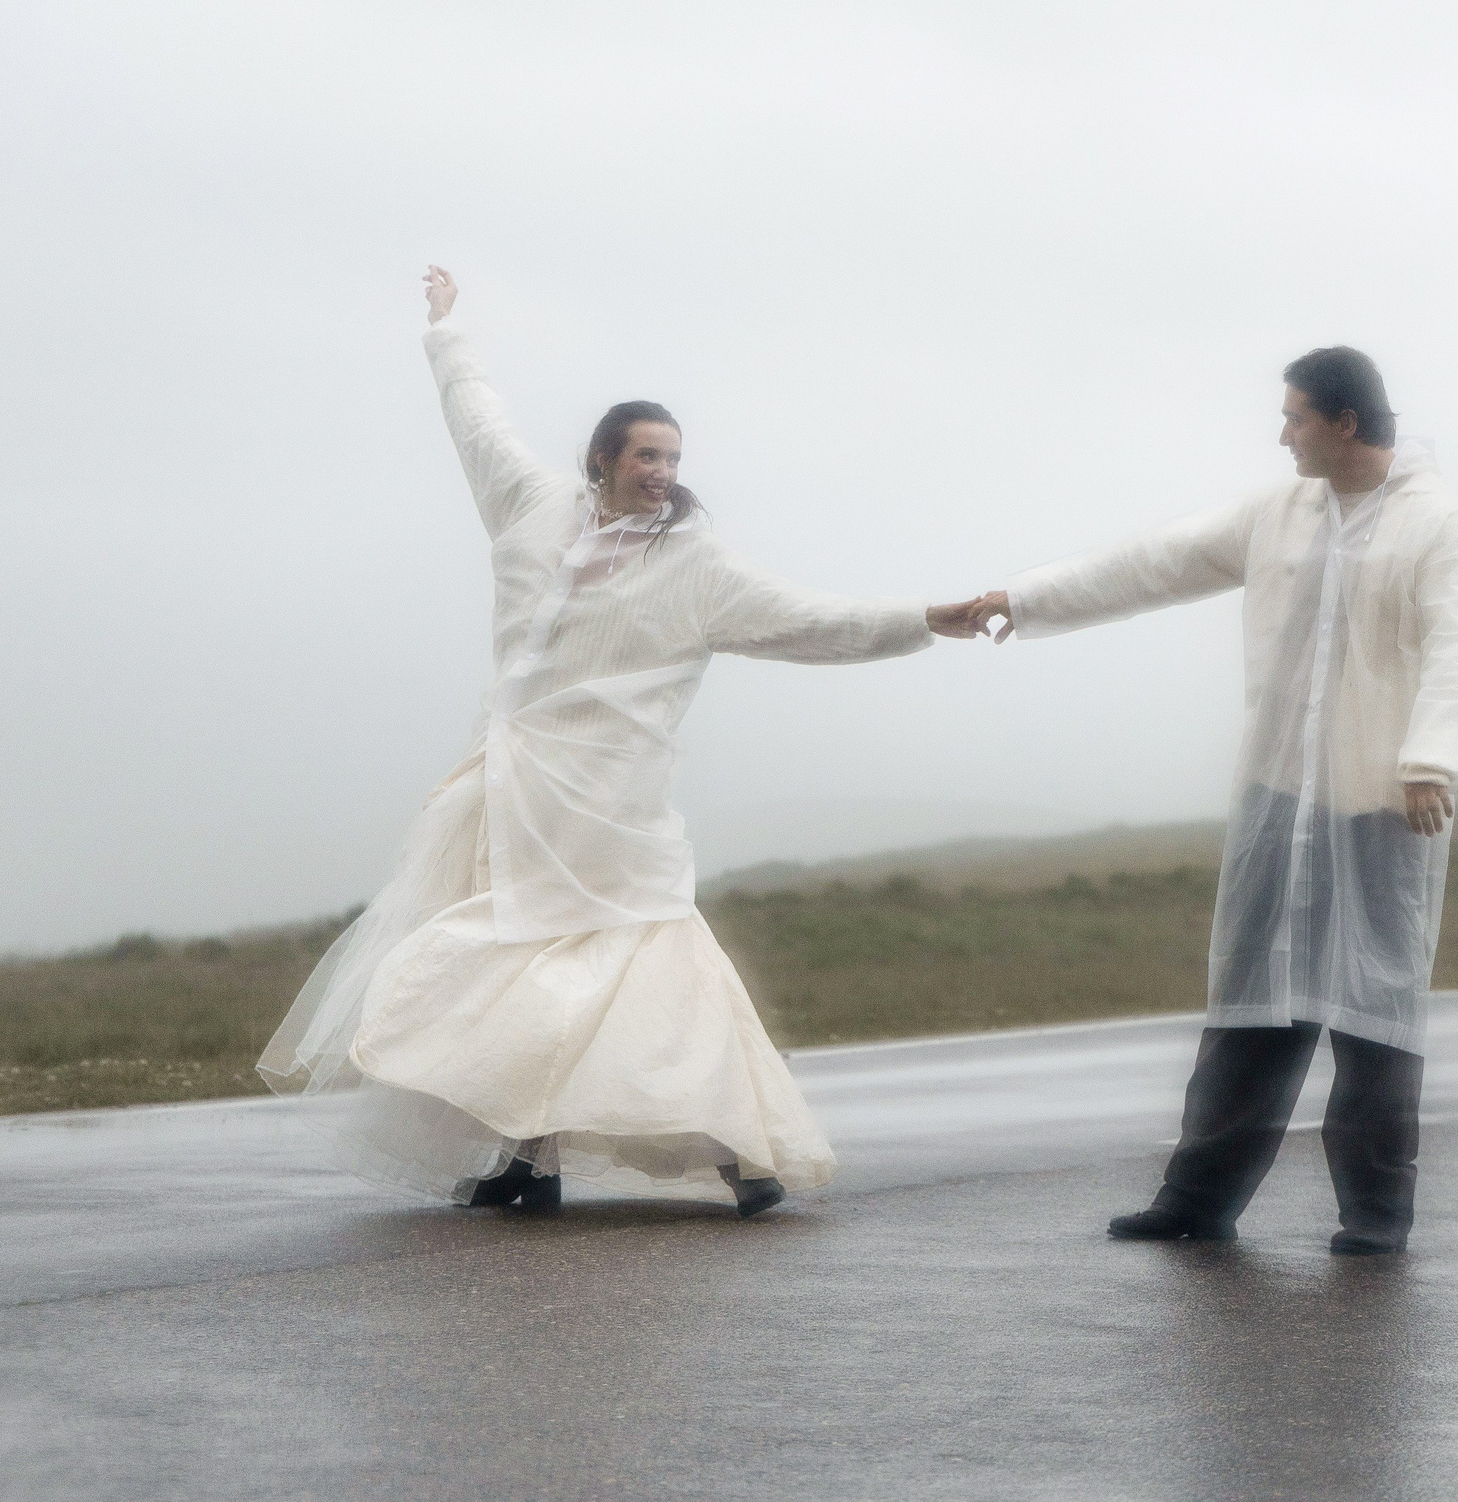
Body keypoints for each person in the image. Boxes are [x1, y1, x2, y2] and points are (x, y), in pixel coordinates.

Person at [258, 268, 982, 1218]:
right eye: (647, 455)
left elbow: (815, 622)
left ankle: (744, 1155)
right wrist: (445, 333)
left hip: (615, 807)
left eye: (674, 458)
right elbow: (475, 419)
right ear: (601, 457)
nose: (664, 472)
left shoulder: (698, 567)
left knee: (657, 979)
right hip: (514, 787)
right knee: (515, 966)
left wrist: (930, 617)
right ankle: (526, 1155)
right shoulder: (530, 506)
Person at [956, 346, 1458, 1254]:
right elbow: (1153, 564)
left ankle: (1375, 1213)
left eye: (1294, 418)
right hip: (1282, 795)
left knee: (1375, 1009)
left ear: (1344, 423)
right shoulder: (1279, 513)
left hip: (1383, 800)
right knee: (1254, 997)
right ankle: (1197, 1200)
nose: (1282, 434)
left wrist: (1430, 758)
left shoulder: (1436, 525)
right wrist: (1027, 597)